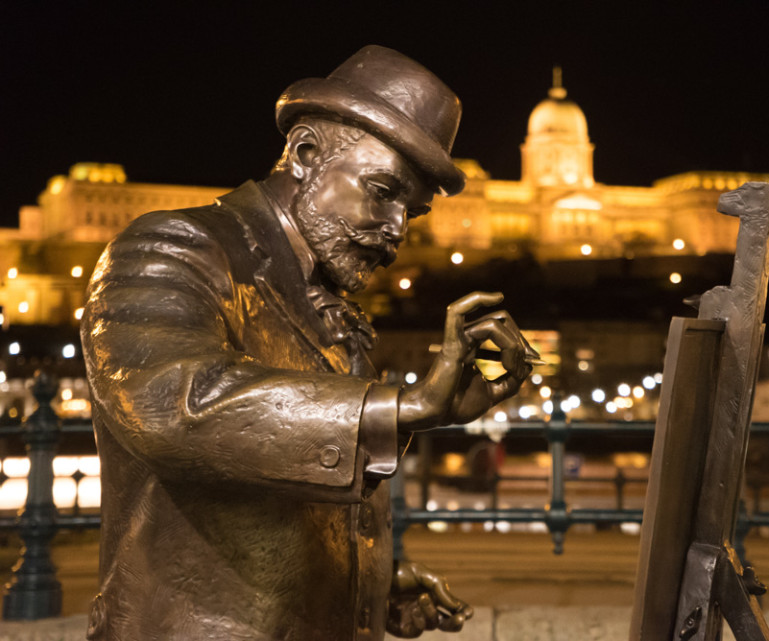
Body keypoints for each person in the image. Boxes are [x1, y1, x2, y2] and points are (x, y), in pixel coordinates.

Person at [80, 45, 535, 641]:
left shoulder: (328, 294)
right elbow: (172, 403)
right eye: (382, 190)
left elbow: (272, 486)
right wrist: (406, 405)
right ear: (304, 155)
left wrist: (366, 585)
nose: (397, 229)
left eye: (412, 212)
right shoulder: (175, 245)